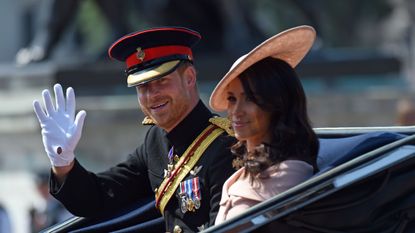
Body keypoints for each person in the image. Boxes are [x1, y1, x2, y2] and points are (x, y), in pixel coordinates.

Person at [32, 27, 236, 232]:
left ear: (189, 78)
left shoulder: (225, 146)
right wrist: (63, 163)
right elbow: (101, 197)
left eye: (161, 81)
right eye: (142, 87)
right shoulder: (155, 141)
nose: (151, 95)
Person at [209, 25, 320, 224]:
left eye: (250, 98)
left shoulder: (291, 172)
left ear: (277, 103)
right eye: (232, 99)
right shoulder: (240, 175)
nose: (236, 111)